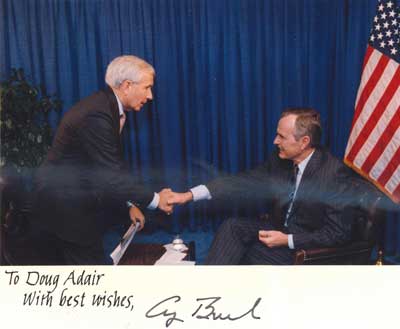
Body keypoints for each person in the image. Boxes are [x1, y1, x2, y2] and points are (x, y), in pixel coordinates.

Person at [32, 55, 173, 265]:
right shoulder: (97, 114)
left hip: (78, 201)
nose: (150, 95)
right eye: (147, 88)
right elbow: (112, 175)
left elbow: (105, 168)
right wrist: (156, 200)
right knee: (92, 279)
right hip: (64, 208)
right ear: (127, 85)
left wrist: (129, 205)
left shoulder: (106, 107)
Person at [169, 108, 354, 264]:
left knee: (241, 253)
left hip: (305, 249)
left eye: (281, 137)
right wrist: (189, 195)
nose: (275, 141)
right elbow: (242, 182)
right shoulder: (280, 159)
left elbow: (337, 233)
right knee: (232, 227)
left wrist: (288, 240)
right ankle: (206, 289)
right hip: (279, 231)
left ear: (304, 142)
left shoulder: (333, 174)